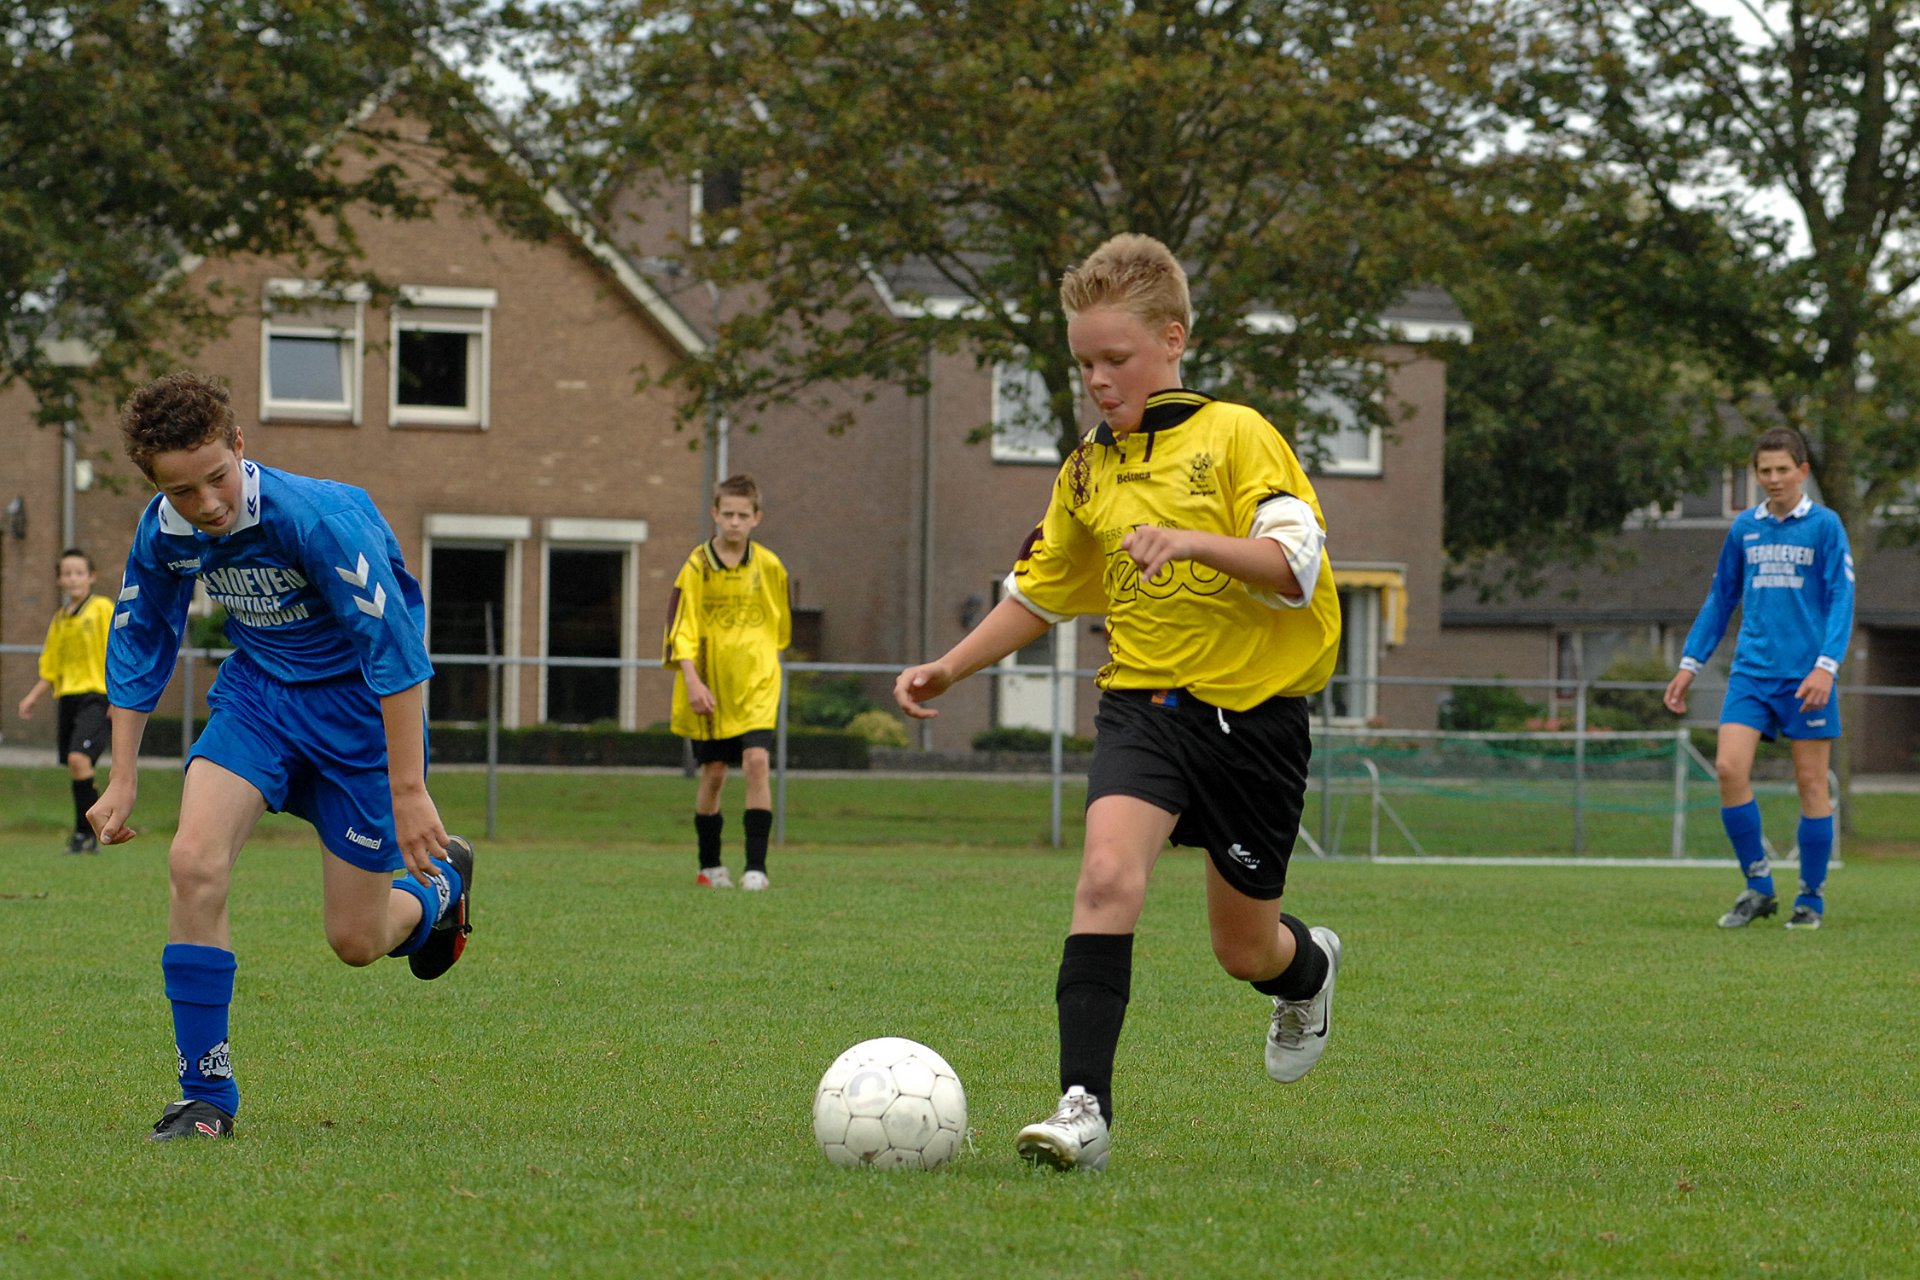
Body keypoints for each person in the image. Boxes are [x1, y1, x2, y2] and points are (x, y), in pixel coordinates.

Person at [893, 233, 1345, 1172]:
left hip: (1255, 724)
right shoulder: (1086, 470)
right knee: (1104, 878)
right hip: (1143, 709)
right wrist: (950, 667)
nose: (1098, 381)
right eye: (1084, 363)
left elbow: (1294, 566)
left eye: (1115, 358)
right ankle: (1084, 1110)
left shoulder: (1238, 436)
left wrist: (1192, 540)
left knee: (1245, 951)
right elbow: (1040, 593)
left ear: (1173, 340)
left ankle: (1308, 972)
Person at [88, 372, 475, 1142]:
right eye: (181, 490)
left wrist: (409, 789)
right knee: (193, 862)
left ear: (240, 445)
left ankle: (441, 889)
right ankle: (205, 1096)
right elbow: (140, 638)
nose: (207, 504)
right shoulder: (163, 531)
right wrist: (123, 773)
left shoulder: (317, 519)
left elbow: (394, 649)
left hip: (359, 719)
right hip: (259, 700)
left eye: (217, 477)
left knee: (357, 942)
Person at [1664, 426, 1855, 931]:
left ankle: (1810, 900)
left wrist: (1826, 666)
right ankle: (1759, 886)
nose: (1773, 478)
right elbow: (1720, 599)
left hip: (1807, 678)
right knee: (1729, 768)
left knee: (1811, 783)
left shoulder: (1825, 526)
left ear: (1802, 471)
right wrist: (1689, 663)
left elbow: (1842, 596)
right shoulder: (1744, 528)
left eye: (1782, 469)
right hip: (1751, 673)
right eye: (1764, 471)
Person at [664, 474, 792, 890]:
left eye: (743, 515)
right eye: (728, 514)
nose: (735, 522)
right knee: (715, 773)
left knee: (757, 763)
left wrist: (762, 664)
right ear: (715, 514)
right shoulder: (697, 566)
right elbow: (681, 627)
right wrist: (692, 680)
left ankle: (757, 868)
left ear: (757, 518)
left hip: (756, 687)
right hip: (710, 688)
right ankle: (710, 865)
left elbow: (780, 629)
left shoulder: (770, 567)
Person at [18, 549, 114, 854]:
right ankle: (85, 835)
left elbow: (119, 651)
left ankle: (90, 834)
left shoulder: (101, 609)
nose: (73, 579)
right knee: (77, 767)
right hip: (69, 698)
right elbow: (52, 668)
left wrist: (119, 697)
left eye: (79, 573)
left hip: (97, 696)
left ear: (91, 577)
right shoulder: (60, 619)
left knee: (78, 759)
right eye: (67, 574)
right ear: (59, 580)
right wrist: (32, 697)